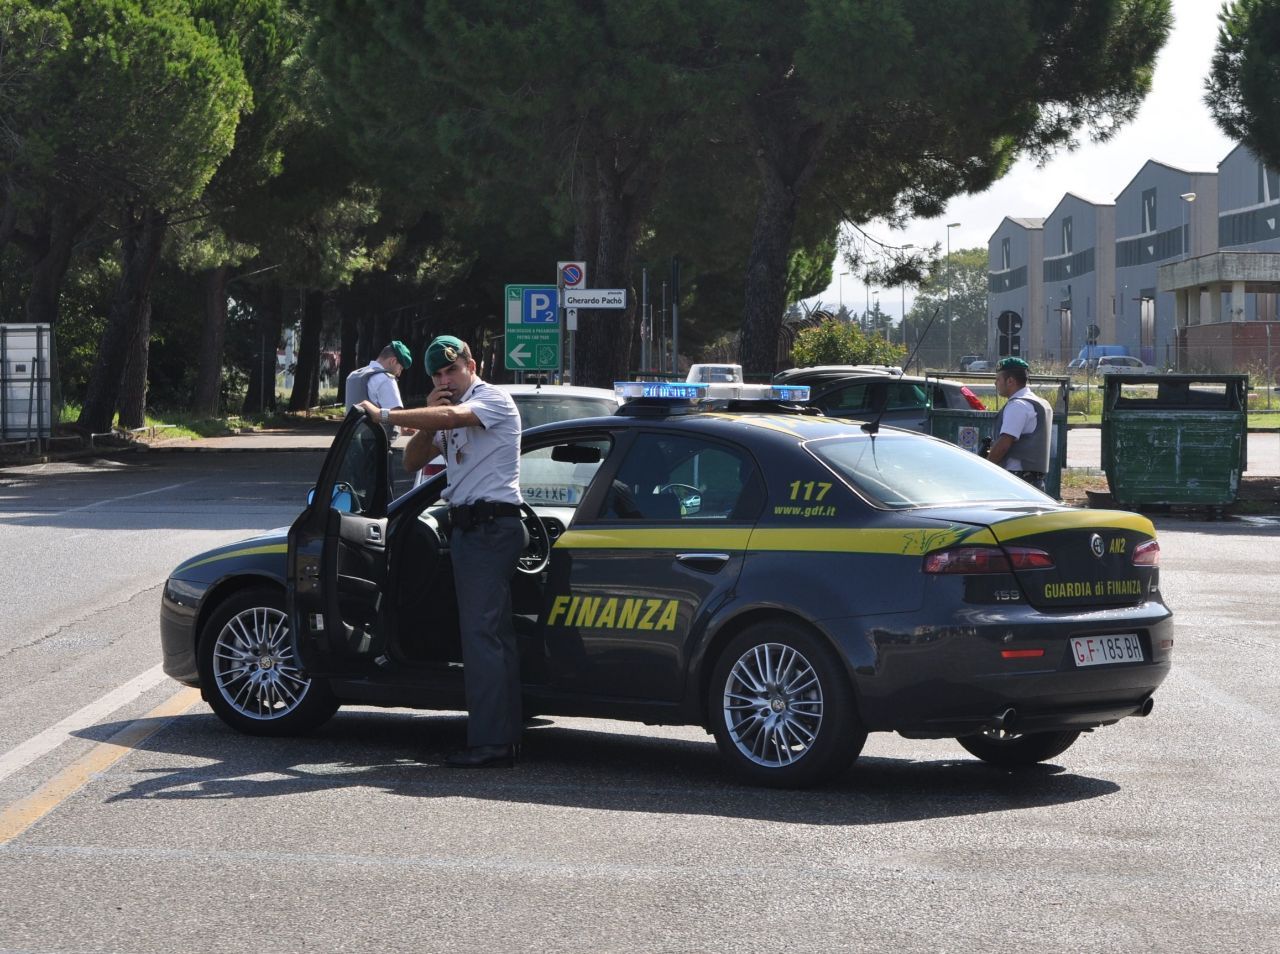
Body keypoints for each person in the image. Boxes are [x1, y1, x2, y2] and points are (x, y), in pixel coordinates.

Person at [357, 335, 524, 769]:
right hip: (469, 528)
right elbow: (413, 461)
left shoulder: (493, 400)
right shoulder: (445, 413)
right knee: (487, 637)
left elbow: (453, 414)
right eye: (437, 374)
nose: (446, 379)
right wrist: (428, 419)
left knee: (483, 638)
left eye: (452, 369)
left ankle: (491, 743)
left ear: (473, 364)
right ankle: (501, 735)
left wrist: (388, 414)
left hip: (492, 527)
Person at [986, 356, 1052, 491]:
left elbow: (1004, 444)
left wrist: (986, 468)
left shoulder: (1018, 405)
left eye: (998, 379)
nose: (995, 383)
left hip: (1016, 478)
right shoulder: (1040, 403)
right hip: (1035, 480)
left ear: (1010, 381)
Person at [344, 341, 411, 436]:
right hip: (376, 443)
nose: (399, 374)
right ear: (393, 361)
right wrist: (405, 427)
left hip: (352, 441)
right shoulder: (386, 379)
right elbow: (396, 415)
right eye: (400, 368)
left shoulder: (353, 376)